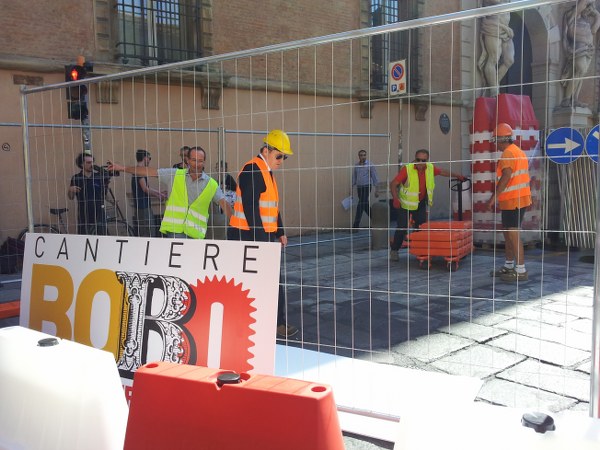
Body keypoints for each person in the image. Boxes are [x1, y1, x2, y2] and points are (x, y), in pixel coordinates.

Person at [228, 129, 298, 339]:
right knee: (251, 282)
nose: (281, 161)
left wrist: (280, 231)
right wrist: (261, 243)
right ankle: (257, 325)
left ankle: (274, 324)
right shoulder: (253, 170)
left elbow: (271, 206)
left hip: (259, 236)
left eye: (284, 157)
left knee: (270, 280)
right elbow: (251, 209)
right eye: (279, 156)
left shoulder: (266, 171)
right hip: (246, 236)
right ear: (266, 151)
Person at [108, 146, 231, 239]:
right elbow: (149, 171)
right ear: (188, 160)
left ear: (204, 162)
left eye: (200, 161)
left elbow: (224, 204)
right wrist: (122, 168)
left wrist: (237, 225)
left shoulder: (211, 184)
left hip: (196, 234)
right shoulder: (174, 174)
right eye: (194, 160)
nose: (197, 164)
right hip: (175, 230)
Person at [389, 149, 466, 261]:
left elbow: (442, 172)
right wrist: (395, 199)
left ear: (427, 160)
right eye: (418, 159)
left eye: (423, 160)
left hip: (420, 203)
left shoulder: (430, 168)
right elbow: (393, 184)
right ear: (415, 158)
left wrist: (457, 175)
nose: (420, 162)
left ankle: (419, 250)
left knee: (421, 227)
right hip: (405, 204)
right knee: (402, 227)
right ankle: (394, 250)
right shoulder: (407, 169)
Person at [485, 123, 531, 282]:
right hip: (515, 199)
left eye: (495, 140)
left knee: (513, 234)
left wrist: (493, 198)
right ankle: (509, 265)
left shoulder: (508, 153)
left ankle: (521, 270)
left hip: (513, 200)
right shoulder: (518, 151)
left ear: (500, 139)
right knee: (508, 233)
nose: (495, 144)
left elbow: (506, 177)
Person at [560, 0, 600, 107]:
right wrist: (589, 3)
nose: (588, 11)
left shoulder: (586, 22)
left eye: (590, 10)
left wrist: (597, 15)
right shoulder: (573, 16)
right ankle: (566, 99)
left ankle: (573, 98)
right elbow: (582, 4)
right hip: (578, 49)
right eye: (587, 8)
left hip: (588, 50)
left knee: (580, 74)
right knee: (581, 70)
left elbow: (594, 30)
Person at [68, 152, 111, 235]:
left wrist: (112, 201)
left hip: (99, 212)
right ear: (81, 164)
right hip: (84, 213)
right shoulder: (76, 178)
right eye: (88, 162)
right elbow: (71, 197)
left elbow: (104, 193)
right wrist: (70, 190)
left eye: (92, 162)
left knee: (102, 236)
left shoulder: (98, 176)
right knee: (85, 236)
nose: (91, 165)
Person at [477, 0, 515, 93]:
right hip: (493, 27)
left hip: (505, 29)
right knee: (493, 58)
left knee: (509, 60)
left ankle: (494, 83)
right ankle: (494, 90)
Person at [131, 149, 166, 237]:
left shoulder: (138, 170)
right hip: (143, 207)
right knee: (149, 232)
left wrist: (159, 193)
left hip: (141, 206)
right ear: (145, 158)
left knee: (146, 231)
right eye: (149, 158)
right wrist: (159, 195)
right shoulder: (139, 171)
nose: (149, 160)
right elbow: (145, 189)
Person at [351, 149, 379, 229]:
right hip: (359, 187)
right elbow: (354, 177)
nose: (363, 156)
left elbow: (375, 177)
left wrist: (377, 190)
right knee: (365, 205)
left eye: (364, 155)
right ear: (359, 156)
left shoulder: (370, 165)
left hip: (367, 186)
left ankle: (355, 226)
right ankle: (377, 220)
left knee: (360, 205)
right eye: (361, 155)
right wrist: (351, 188)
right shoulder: (356, 165)